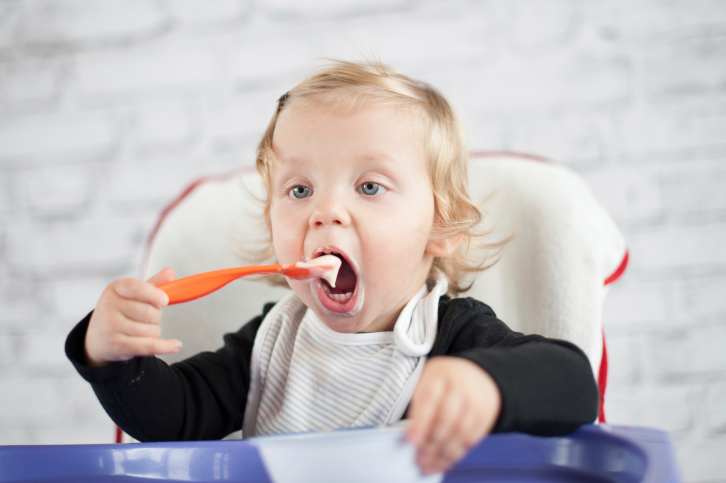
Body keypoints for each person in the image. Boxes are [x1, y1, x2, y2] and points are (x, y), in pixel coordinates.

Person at [65, 60, 598, 475]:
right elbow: (174, 420)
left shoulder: (454, 334)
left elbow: (574, 383)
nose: (324, 212)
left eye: (369, 186)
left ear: (441, 228)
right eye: (299, 190)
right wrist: (113, 358)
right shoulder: (270, 346)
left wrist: (489, 384)